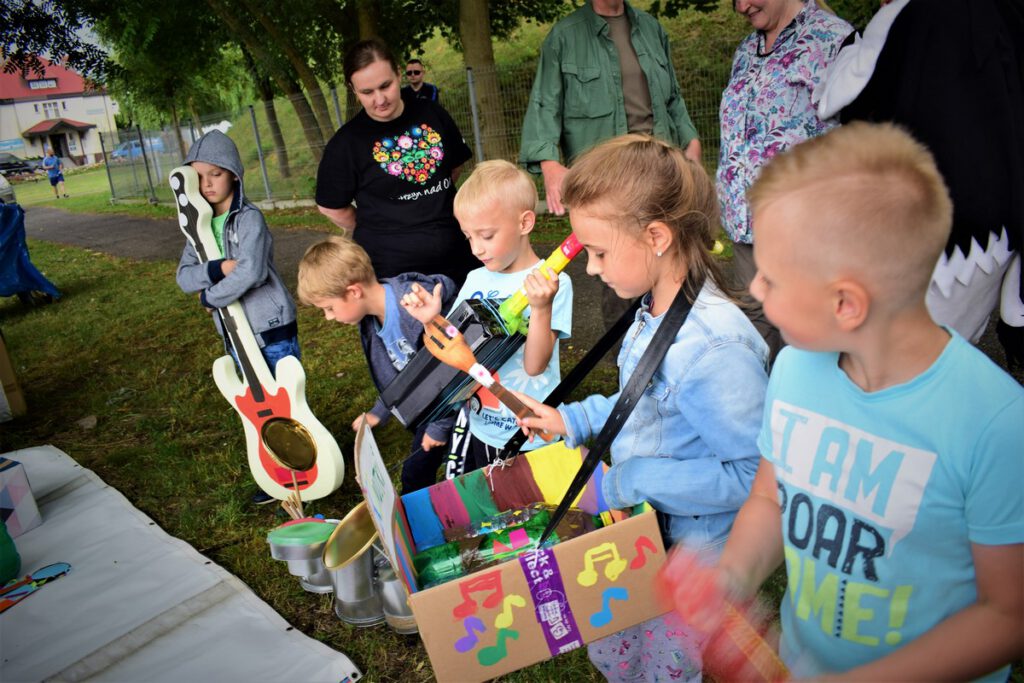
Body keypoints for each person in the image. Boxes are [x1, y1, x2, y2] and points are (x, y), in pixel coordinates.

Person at [669, 123, 1024, 681]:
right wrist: (730, 576)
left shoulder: (996, 423)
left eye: (771, 278)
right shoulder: (792, 369)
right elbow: (770, 498)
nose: (755, 290)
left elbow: (1007, 616)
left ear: (846, 304)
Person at [517, 135, 769, 683]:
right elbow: (645, 398)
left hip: (693, 554)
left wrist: (629, 480)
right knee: (615, 640)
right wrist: (574, 420)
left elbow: (755, 477)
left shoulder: (712, 350)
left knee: (668, 667)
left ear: (656, 237)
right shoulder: (655, 308)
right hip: (644, 528)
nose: (589, 270)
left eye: (600, 252)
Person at [814, 0, 1024, 369]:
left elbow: (838, 98)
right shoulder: (1006, 11)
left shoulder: (904, 15)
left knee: (905, 362)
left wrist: (852, 45)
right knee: (952, 351)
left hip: (939, 237)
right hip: (1001, 221)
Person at [399, 160, 573, 478]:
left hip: (533, 433)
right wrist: (431, 320)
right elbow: (455, 346)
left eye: (487, 235)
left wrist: (541, 308)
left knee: (537, 512)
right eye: (468, 237)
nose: (476, 248)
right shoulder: (476, 280)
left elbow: (535, 366)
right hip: (482, 429)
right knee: (495, 513)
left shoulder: (551, 283)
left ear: (525, 223)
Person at [718, 0, 852, 361]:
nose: (741, 6)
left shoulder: (835, 41)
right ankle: (762, 414)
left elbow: (859, 140)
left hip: (803, 232)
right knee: (754, 334)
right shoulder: (747, 50)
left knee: (807, 338)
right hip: (746, 229)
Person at [296, 236, 456, 493]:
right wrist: (379, 412)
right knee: (418, 473)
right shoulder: (371, 321)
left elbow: (451, 371)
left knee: (432, 473)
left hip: (457, 408)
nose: (328, 318)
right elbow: (399, 373)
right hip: (432, 408)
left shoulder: (412, 308)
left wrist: (440, 426)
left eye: (329, 308)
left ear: (354, 292)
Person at [316, 40, 476, 287]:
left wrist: (427, 197)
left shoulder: (432, 113)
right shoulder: (346, 144)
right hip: (396, 276)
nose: (379, 99)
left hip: (460, 257)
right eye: (367, 93)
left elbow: (454, 166)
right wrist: (376, 224)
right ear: (353, 89)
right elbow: (331, 206)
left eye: (386, 86)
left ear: (399, 74)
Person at [175, 130, 300, 375]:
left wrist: (208, 297)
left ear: (233, 175)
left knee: (287, 399)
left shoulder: (248, 219)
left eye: (216, 174)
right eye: (199, 177)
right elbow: (184, 278)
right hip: (233, 330)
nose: (207, 183)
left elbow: (252, 272)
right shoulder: (200, 226)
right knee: (257, 404)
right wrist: (218, 269)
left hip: (270, 329)